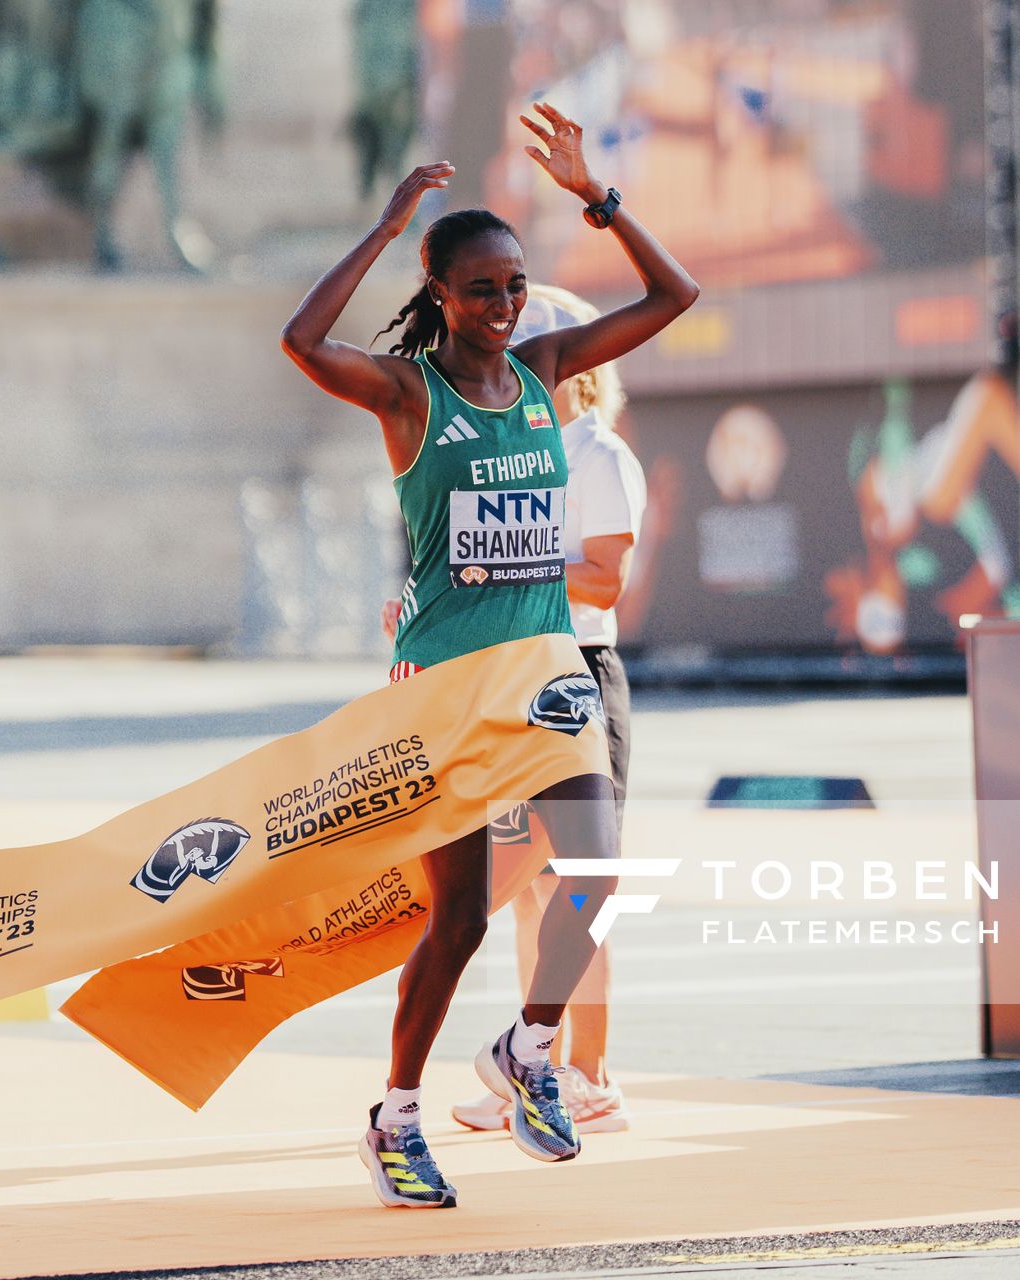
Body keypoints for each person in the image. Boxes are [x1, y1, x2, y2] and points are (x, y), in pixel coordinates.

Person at [280, 103, 697, 1209]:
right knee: (457, 917)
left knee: (596, 876)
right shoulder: (410, 390)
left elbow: (675, 298)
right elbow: (300, 344)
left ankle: (529, 1047)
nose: (507, 306)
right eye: (483, 289)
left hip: (546, 669)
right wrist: (381, 228)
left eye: (515, 285)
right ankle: (397, 1112)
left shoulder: (548, 369)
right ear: (441, 295)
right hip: (448, 686)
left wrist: (593, 198)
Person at [385, 285, 646, 1135]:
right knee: (524, 897)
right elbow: (466, 560)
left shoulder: (596, 453)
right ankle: (536, 1072)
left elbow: (604, 580)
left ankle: (588, 1073)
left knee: (579, 885)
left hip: (579, 669)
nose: (512, 353)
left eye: (532, 338)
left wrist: (502, 569)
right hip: (508, 674)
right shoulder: (509, 438)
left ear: (572, 364)